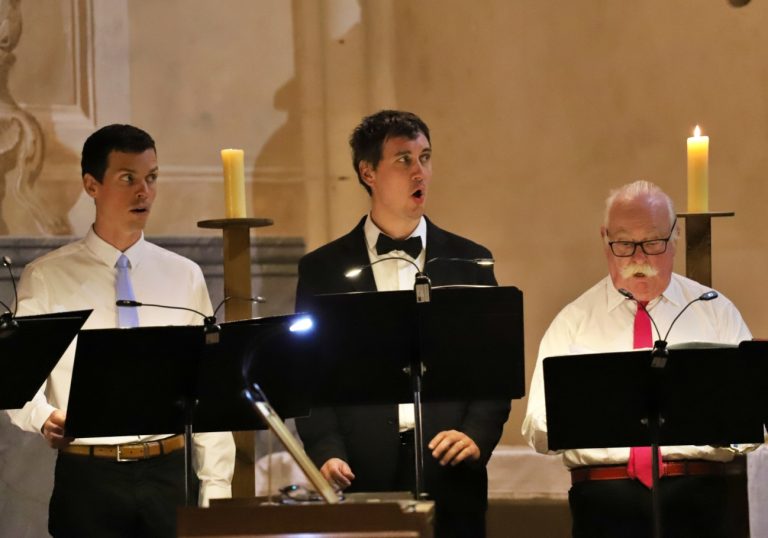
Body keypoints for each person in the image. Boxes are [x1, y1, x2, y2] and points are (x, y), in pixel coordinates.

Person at [6, 124, 235, 538]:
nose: (143, 192)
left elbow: (208, 388)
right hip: (89, 477)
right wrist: (43, 417)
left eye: (151, 178)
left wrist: (216, 490)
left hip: (169, 472)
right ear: (91, 185)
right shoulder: (47, 276)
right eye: (128, 178)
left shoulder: (183, 275)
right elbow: (17, 379)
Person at [295, 110, 510, 538]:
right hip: (359, 471)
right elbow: (309, 374)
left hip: (451, 470)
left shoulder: (471, 262)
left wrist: (476, 434)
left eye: (425, 157)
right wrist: (326, 451)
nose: (420, 172)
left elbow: (495, 366)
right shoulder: (322, 269)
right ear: (368, 171)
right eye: (403, 159)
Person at [522, 180, 752, 538]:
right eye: (625, 244)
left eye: (654, 242)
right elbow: (537, 426)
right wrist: (594, 416)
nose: (639, 258)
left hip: (697, 497)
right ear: (605, 239)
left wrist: (715, 425)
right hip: (604, 501)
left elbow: (755, 417)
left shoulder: (715, 312)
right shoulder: (574, 321)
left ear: (675, 237)